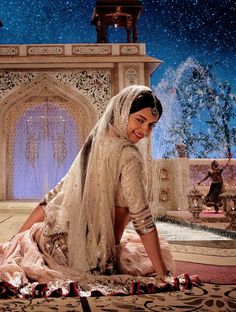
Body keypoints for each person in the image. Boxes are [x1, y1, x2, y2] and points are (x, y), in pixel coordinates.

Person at [0, 85, 198, 297]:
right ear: (122, 111)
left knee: (30, 238)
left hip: (56, 244)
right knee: (154, 251)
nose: (145, 131)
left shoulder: (96, 143)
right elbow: (142, 220)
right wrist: (163, 275)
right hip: (94, 257)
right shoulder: (128, 155)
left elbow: (51, 198)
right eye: (140, 120)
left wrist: (15, 241)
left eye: (151, 125)